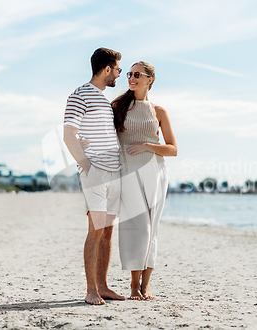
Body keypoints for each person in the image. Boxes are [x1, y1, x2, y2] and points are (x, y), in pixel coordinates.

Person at [63, 48, 126, 305]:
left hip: (114, 171)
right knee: (96, 231)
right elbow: (68, 134)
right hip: (97, 173)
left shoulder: (102, 99)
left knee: (108, 232)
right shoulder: (80, 95)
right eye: (119, 70)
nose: (119, 75)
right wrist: (88, 167)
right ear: (107, 69)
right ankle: (91, 290)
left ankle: (103, 286)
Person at [112, 61, 178, 300]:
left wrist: (147, 146)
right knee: (135, 227)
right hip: (127, 173)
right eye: (129, 74)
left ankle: (145, 286)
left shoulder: (158, 111)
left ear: (150, 79)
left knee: (152, 228)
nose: (131, 78)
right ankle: (133, 285)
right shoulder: (117, 107)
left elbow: (172, 149)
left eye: (137, 74)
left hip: (155, 172)